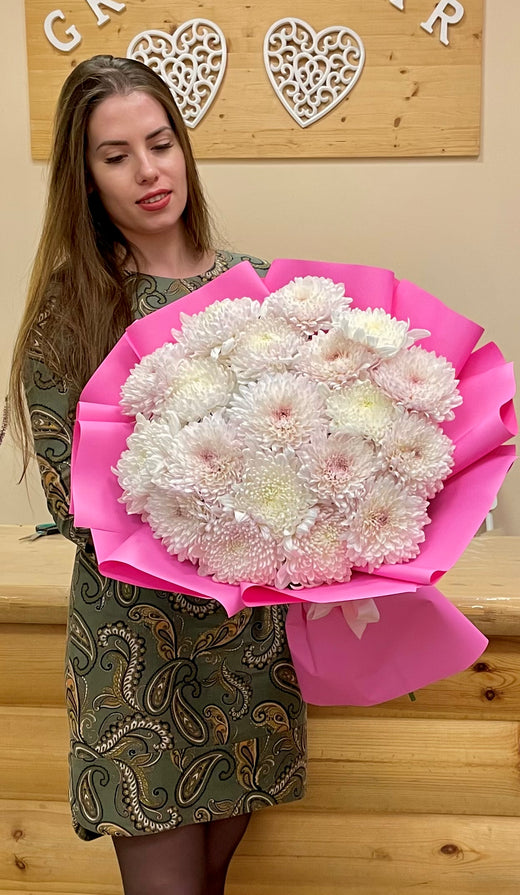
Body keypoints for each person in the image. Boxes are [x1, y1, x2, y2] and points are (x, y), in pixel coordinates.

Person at [8, 55, 307, 895]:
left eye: (160, 143)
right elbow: (75, 503)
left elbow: (306, 465)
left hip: (244, 652)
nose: (147, 170)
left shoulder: (257, 289)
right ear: (85, 177)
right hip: (133, 647)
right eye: (116, 155)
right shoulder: (71, 310)